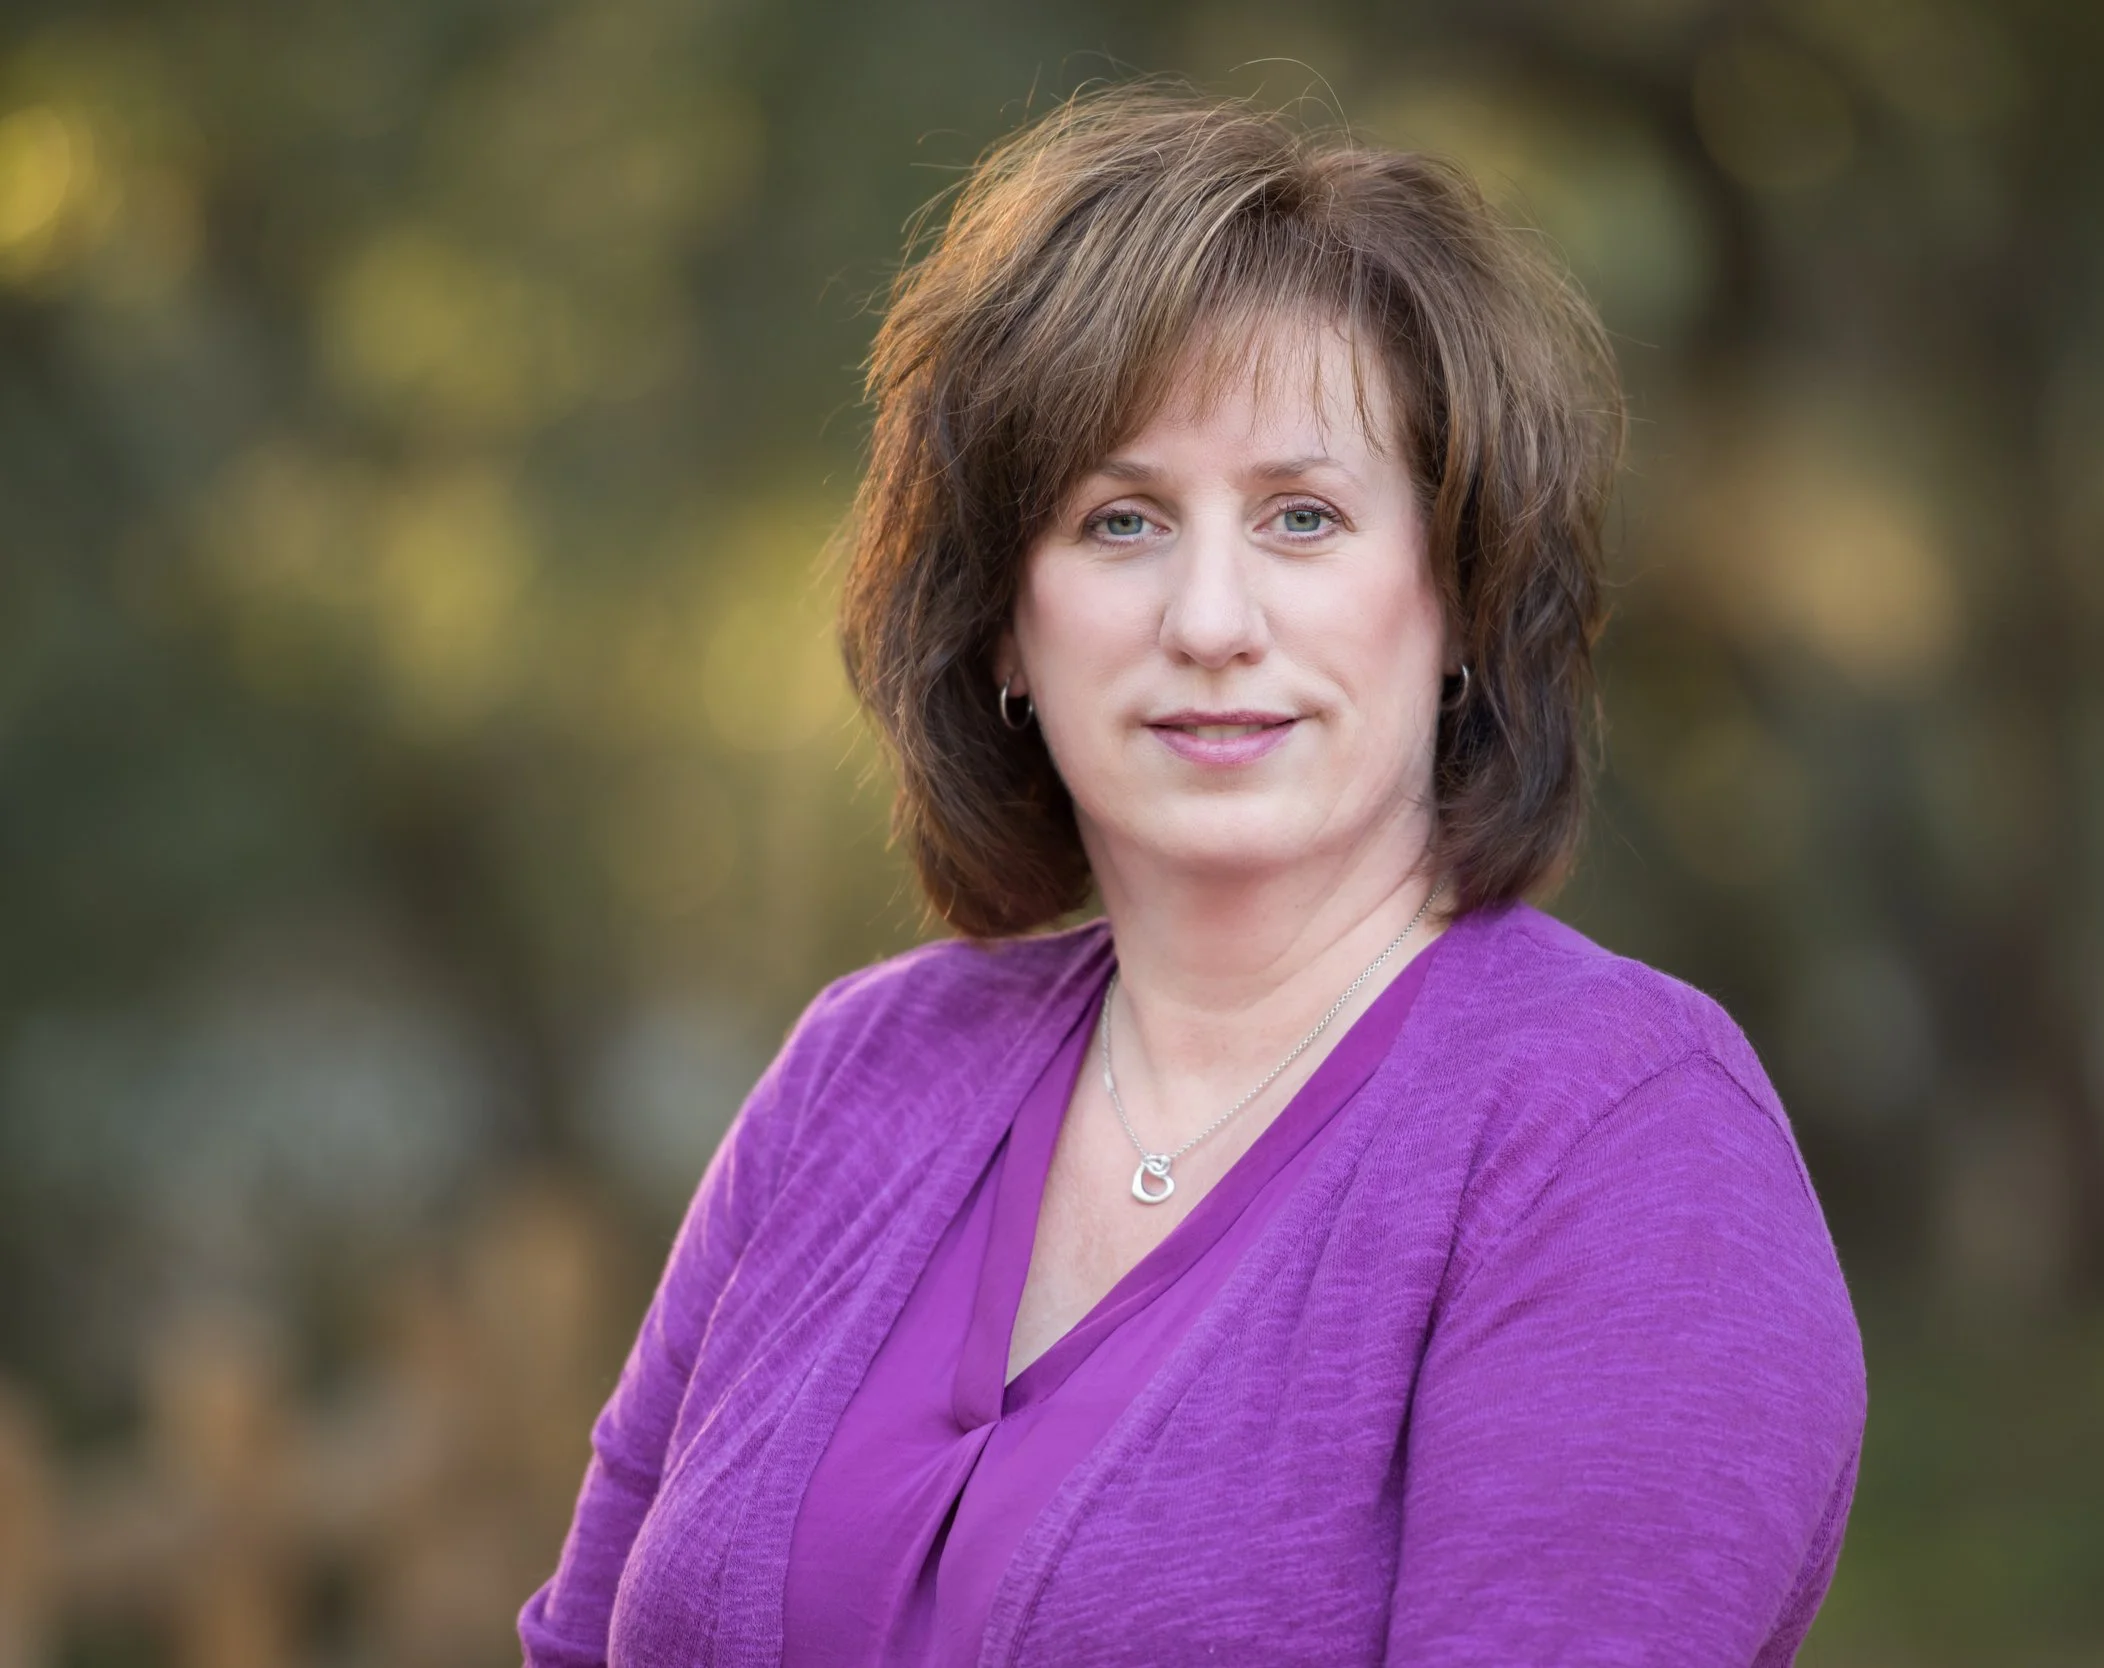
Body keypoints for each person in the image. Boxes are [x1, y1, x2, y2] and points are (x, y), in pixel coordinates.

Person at [518, 82, 1865, 1668]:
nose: (1212, 620)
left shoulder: (1617, 1140)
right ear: (1007, 626)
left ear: (1453, 598)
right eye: (1121, 520)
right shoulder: (856, 1076)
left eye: (1302, 517)